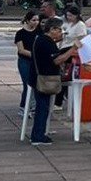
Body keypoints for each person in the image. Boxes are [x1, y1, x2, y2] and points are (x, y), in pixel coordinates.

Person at [29, 18, 77, 146]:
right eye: (59, 30)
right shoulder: (47, 43)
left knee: (42, 107)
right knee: (42, 108)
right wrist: (72, 49)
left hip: (37, 77)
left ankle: (37, 134)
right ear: (52, 30)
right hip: (44, 79)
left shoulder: (41, 39)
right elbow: (57, 60)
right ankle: (38, 136)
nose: (61, 32)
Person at [14, 9, 39, 112]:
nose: (36, 22)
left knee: (36, 84)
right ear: (27, 21)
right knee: (27, 83)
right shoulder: (20, 33)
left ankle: (32, 105)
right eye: (33, 20)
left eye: (37, 20)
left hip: (36, 62)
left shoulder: (39, 32)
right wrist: (34, 54)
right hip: (24, 61)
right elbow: (21, 50)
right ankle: (24, 106)